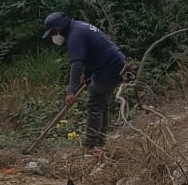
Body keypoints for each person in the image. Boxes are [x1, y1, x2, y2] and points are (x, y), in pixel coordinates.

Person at [42, 11, 126, 151]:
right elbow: (91, 54)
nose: (54, 36)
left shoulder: (74, 35)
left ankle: (91, 145)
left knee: (95, 104)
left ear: (59, 28)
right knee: (101, 104)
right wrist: (87, 74)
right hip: (115, 64)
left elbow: (77, 64)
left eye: (53, 33)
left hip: (109, 67)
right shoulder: (78, 27)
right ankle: (100, 143)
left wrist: (71, 91)